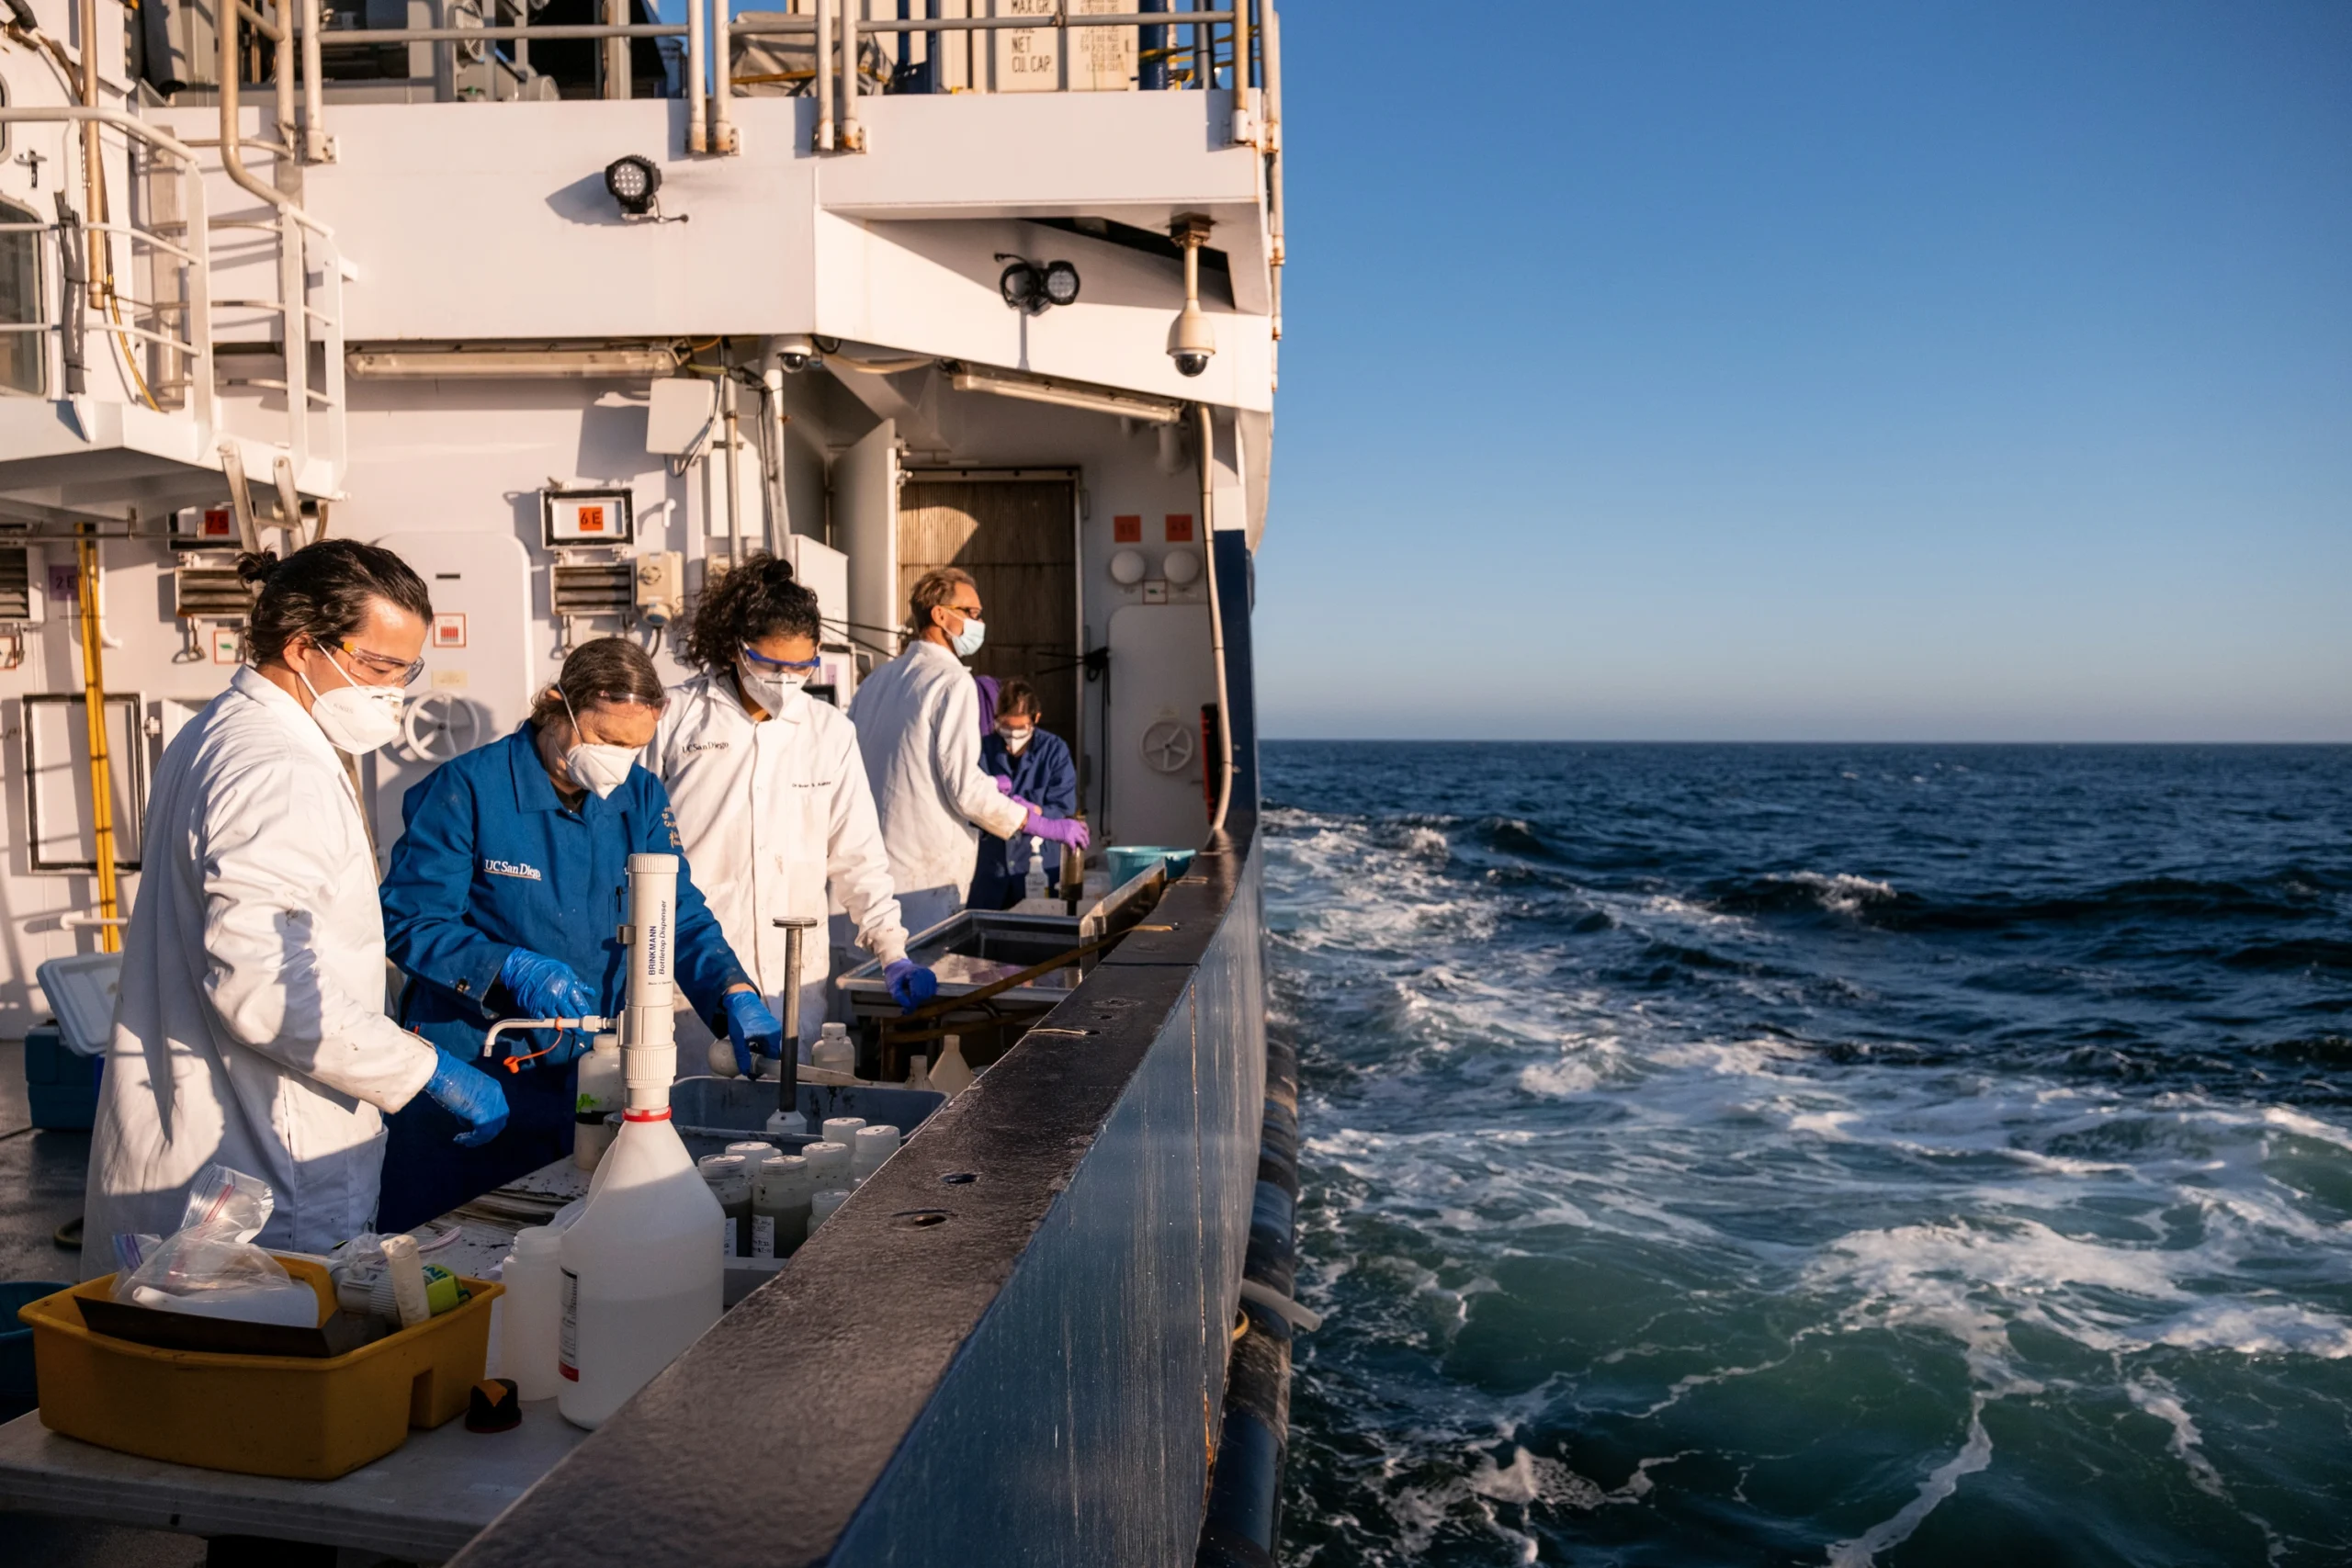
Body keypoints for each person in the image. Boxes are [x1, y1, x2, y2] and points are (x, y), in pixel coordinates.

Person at [83, 541, 498, 1269]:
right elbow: (264, 987)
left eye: (408, 669)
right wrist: (422, 1069)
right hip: (265, 1175)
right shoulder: (277, 766)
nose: (395, 691)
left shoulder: (219, 732)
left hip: (215, 1144)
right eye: (378, 666)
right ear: (304, 647)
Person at [375, 637, 780, 1231]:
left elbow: (677, 910)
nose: (619, 760)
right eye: (609, 740)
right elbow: (409, 919)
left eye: (635, 747)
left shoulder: (638, 798)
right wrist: (506, 964)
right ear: (556, 707)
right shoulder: (468, 788)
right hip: (475, 1071)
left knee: (569, 1256)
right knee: (452, 1255)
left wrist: (732, 990)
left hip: (586, 1081)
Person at [650, 553, 938, 1054]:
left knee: (785, 1115)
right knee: (688, 1107)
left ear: (818, 652)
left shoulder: (829, 732)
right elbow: (631, 841)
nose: (785, 679)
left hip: (793, 979)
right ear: (736, 649)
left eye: (800, 666)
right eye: (768, 664)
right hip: (688, 980)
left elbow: (858, 858)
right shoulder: (677, 718)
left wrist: (893, 951)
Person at [849, 568, 1088, 933]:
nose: (980, 623)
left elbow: (914, 770)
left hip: (866, 873)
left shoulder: (877, 681)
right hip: (921, 881)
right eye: (973, 614)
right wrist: (1038, 823)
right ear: (940, 615)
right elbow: (965, 791)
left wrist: (991, 787)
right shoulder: (951, 681)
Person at [968, 680, 1080, 911]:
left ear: (1036, 719)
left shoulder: (1054, 750)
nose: (1012, 736)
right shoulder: (982, 749)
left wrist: (1035, 812)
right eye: (1005, 727)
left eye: (1020, 728)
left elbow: (1063, 807)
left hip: (1038, 864)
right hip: (991, 867)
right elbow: (967, 804)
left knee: (1039, 928)